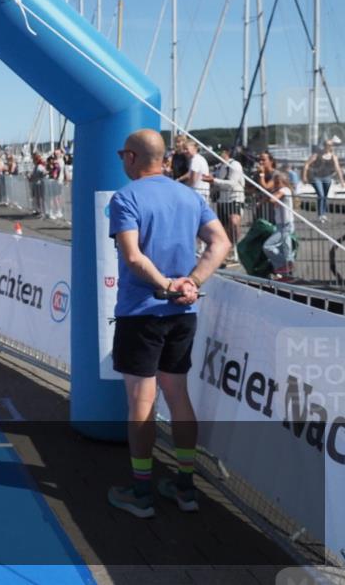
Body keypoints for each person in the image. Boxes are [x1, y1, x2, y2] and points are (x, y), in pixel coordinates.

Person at [107, 129, 230, 519]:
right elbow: (221, 243)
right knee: (177, 395)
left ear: (130, 157)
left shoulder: (125, 197)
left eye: (121, 155)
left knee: (142, 402)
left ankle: (141, 493)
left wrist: (167, 286)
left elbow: (132, 257)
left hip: (144, 311)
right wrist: (190, 283)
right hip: (182, 314)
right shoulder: (189, 196)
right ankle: (185, 487)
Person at [204, 147, 245, 260]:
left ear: (226, 153)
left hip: (234, 198)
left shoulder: (235, 165)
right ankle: (228, 250)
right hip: (222, 200)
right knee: (225, 227)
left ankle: (235, 247)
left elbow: (232, 183)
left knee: (234, 222)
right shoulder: (219, 167)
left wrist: (214, 181)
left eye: (220, 152)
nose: (217, 155)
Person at [263, 172, 296, 280]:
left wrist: (270, 193)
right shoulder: (279, 191)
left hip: (286, 225)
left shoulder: (285, 190)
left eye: (278, 182)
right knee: (286, 250)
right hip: (280, 224)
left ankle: (285, 265)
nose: (276, 184)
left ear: (284, 182)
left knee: (268, 246)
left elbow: (273, 199)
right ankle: (286, 273)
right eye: (275, 182)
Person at [302, 139, 344, 223]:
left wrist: (342, 180)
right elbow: (307, 164)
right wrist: (304, 176)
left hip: (327, 177)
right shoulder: (317, 154)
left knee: (324, 196)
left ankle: (323, 214)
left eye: (330, 145)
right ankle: (320, 215)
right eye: (327, 145)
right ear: (324, 146)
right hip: (316, 177)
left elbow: (338, 168)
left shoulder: (333, 156)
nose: (329, 147)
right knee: (320, 194)